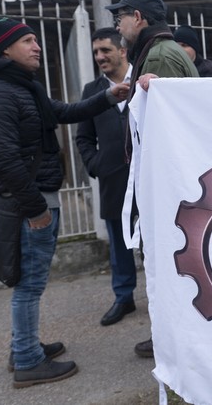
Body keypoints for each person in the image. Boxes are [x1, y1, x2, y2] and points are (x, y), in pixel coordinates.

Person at [0, 17, 129, 387]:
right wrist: (37, 210)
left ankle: (23, 346)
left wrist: (108, 96)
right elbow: (5, 163)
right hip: (30, 206)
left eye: (35, 40)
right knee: (28, 286)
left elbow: (63, 112)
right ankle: (27, 360)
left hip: (39, 199)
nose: (36, 46)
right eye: (27, 40)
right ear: (5, 49)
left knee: (30, 284)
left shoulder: (23, 87)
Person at [106, 0, 199, 359]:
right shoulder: (156, 52)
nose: (117, 23)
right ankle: (169, 333)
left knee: (170, 264)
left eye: (121, 15)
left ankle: (177, 340)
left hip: (171, 186)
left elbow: (175, 129)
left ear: (139, 18)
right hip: (165, 183)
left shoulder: (161, 55)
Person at [75, 28, 137, 327]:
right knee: (119, 243)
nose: (100, 57)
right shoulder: (92, 91)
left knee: (154, 241)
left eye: (105, 50)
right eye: (96, 52)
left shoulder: (145, 80)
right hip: (112, 179)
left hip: (148, 179)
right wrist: (96, 164)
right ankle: (123, 297)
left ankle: (162, 296)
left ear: (122, 50)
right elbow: (83, 137)